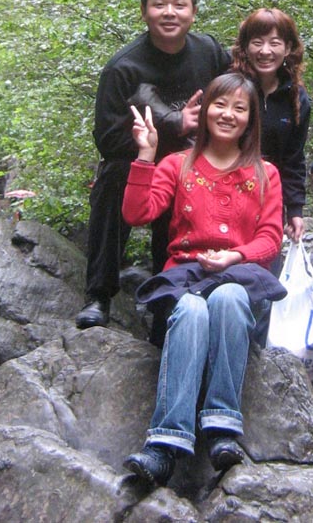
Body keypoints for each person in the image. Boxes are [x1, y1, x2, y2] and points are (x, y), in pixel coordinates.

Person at [121, 73, 284, 486]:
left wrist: (235, 255)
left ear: (250, 119)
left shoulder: (265, 173)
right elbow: (137, 213)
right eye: (220, 104)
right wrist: (146, 154)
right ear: (206, 109)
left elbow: (270, 238)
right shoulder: (178, 164)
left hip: (237, 275)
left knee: (229, 298)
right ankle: (165, 444)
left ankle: (222, 427)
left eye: (239, 108)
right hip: (185, 275)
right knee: (192, 310)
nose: (228, 114)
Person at [76, 0, 230, 333]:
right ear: (144, 11)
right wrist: (173, 125)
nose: (169, 12)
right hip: (136, 164)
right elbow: (108, 140)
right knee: (112, 180)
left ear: (193, 11)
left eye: (179, 4)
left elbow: (239, 93)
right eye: (159, 4)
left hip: (191, 165)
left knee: (193, 191)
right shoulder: (123, 68)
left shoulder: (208, 52)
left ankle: (167, 306)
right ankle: (99, 294)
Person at [231, 8, 310, 245]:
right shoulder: (230, 88)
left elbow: (293, 159)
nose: (265, 51)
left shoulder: (296, 98)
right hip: (225, 194)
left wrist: (295, 209)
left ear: (287, 48)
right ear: (245, 47)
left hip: (269, 202)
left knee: (265, 262)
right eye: (257, 42)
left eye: (274, 43)